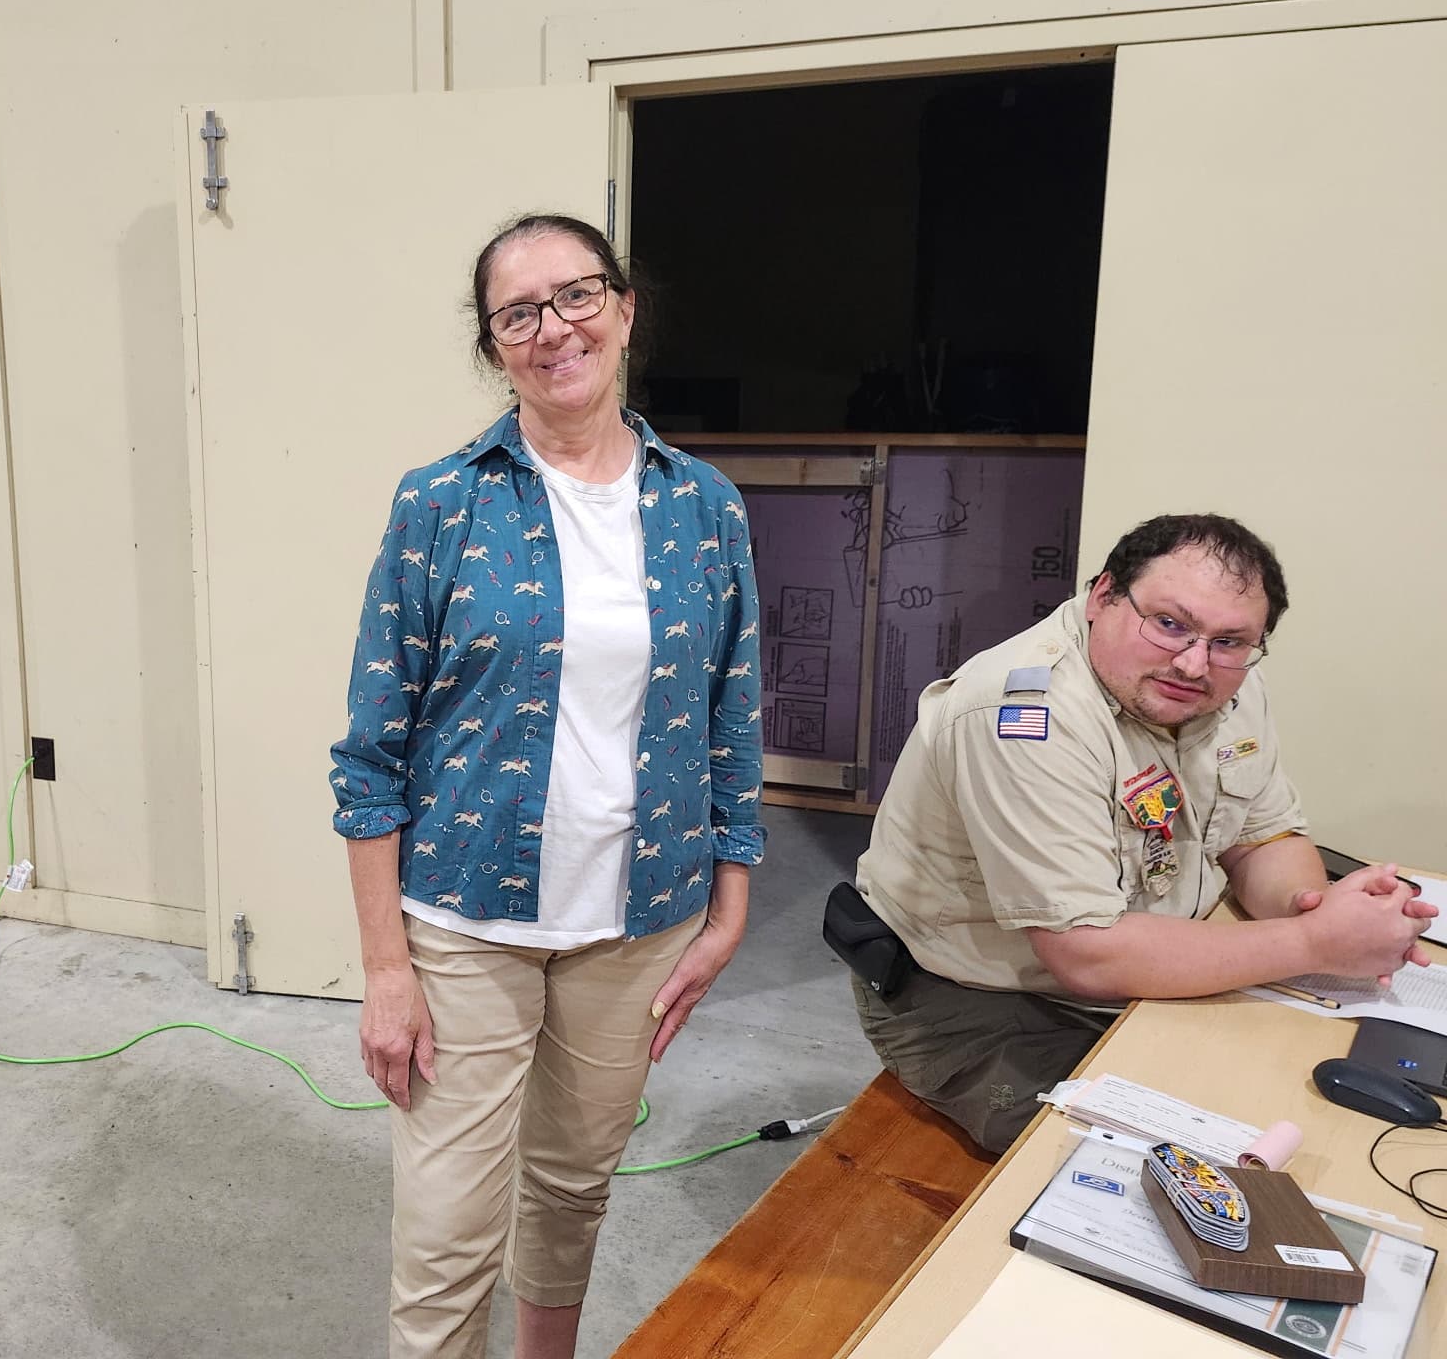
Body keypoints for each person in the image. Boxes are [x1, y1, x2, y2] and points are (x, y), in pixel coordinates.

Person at [327, 214, 765, 1359]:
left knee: (572, 1187)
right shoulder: (440, 503)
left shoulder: (702, 506)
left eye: (576, 295)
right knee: (446, 1234)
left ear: (623, 308)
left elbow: (731, 717)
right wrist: (386, 970)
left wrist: (728, 906)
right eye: (517, 313)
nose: (553, 328)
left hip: (636, 920)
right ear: (492, 346)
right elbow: (371, 753)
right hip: (466, 919)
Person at [850, 514, 1436, 1154]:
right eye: (1169, 624)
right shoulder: (1023, 716)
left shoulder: (1225, 685)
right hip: (981, 1002)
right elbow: (1087, 953)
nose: (1194, 663)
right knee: (1144, 1163)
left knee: (1302, 1109)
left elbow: (1262, 837)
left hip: (1153, 960)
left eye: (1230, 641)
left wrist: (1321, 910)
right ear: (1103, 595)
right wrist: (1314, 943)